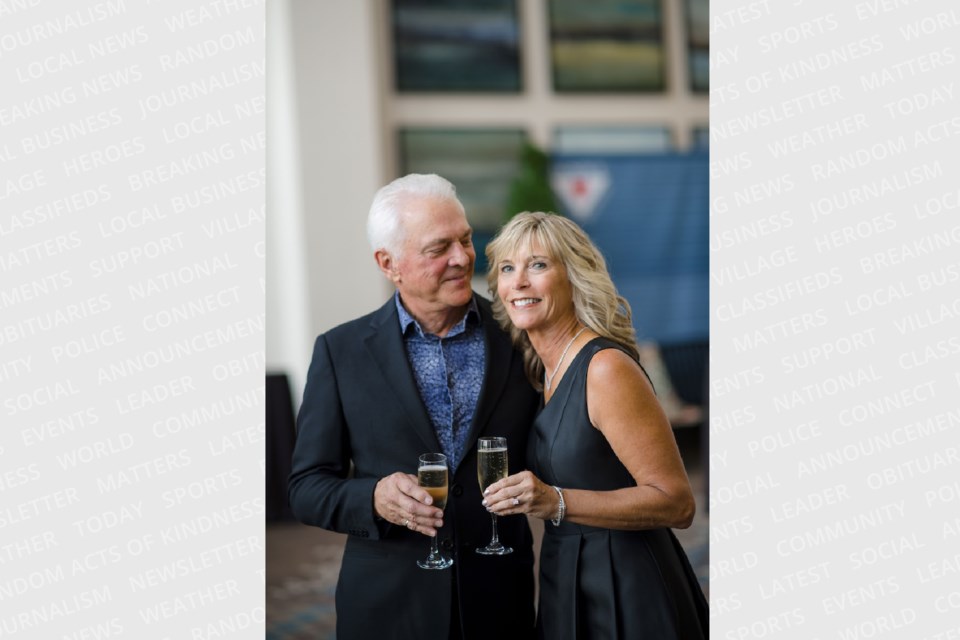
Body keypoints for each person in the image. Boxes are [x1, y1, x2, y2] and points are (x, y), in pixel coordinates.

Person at [288, 174, 539, 640]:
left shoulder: (521, 336)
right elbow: (305, 487)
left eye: (465, 239)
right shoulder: (340, 352)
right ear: (389, 263)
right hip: (387, 609)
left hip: (499, 603)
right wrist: (373, 498)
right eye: (438, 247)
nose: (462, 258)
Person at [482, 211, 709, 639]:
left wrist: (556, 501)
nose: (520, 282)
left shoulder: (605, 369)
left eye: (539, 265)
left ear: (574, 277)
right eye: (508, 269)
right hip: (564, 575)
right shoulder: (540, 370)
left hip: (626, 584)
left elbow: (678, 504)